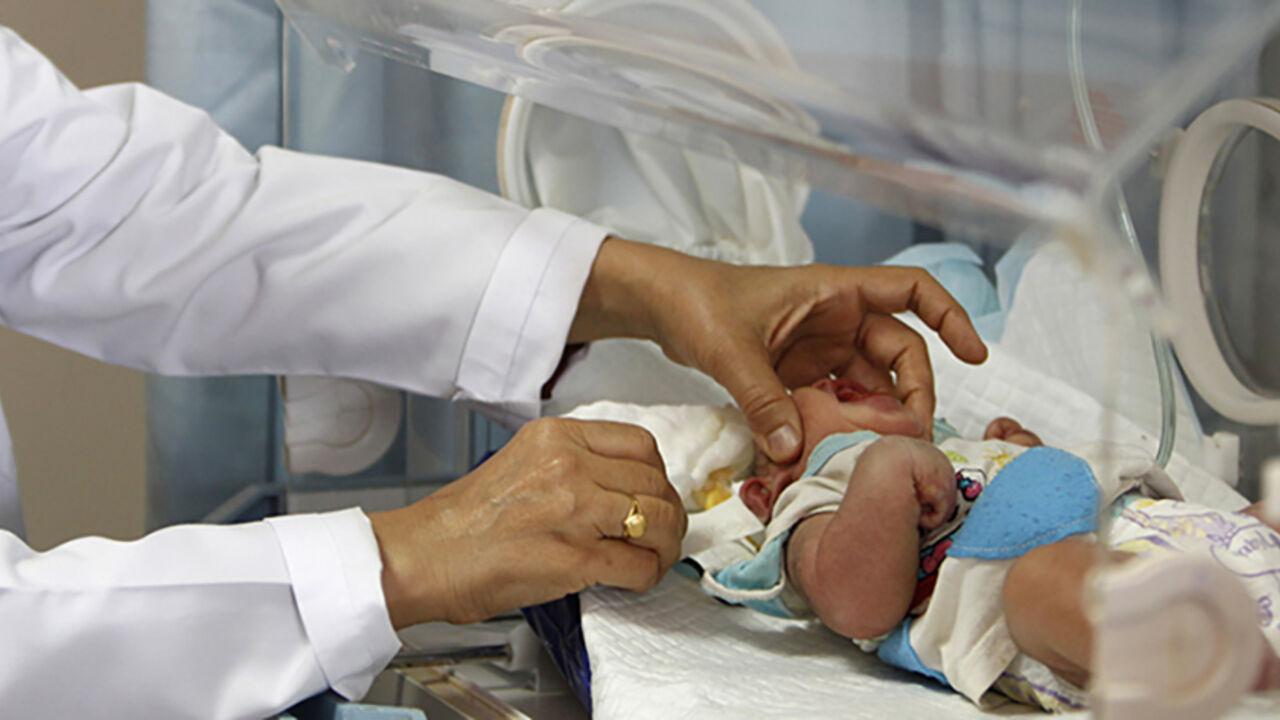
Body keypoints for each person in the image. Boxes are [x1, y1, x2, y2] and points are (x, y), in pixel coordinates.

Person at [0, 26, 989, 719]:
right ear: (762, 483)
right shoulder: (769, 516)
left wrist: (660, 287)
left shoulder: (978, 445)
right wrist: (404, 559)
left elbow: (147, 215)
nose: (847, 397)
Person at [709, 377, 1280, 710]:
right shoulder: (811, 502)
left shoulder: (957, 450)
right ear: (766, 488)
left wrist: (1022, 452)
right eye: (811, 389)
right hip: (1050, 617)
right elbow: (855, 605)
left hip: (1198, 534)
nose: (838, 374)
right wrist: (884, 469)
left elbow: (1059, 490)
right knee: (1042, 580)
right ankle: (1233, 665)